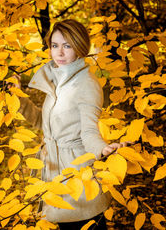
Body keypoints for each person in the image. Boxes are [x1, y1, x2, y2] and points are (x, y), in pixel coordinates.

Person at [18, 19, 127, 230]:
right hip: (53, 170)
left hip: (77, 175)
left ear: (79, 47)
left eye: (67, 45)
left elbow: (89, 131)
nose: (59, 53)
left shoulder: (86, 84)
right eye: (55, 45)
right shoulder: (59, 80)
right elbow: (44, 123)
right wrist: (18, 100)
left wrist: (103, 149)